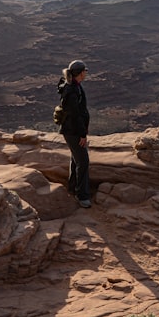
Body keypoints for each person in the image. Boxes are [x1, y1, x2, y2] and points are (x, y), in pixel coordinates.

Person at [57, 59, 92, 207]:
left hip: (72, 130)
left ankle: (72, 188)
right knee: (83, 161)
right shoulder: (72, 91)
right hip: (73, 131)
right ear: (79, 73)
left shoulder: (75, 86)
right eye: (84, 71)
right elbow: (75, 115)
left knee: (76, 159)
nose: (86, 73)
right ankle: (82, 196)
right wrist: (82, 134)